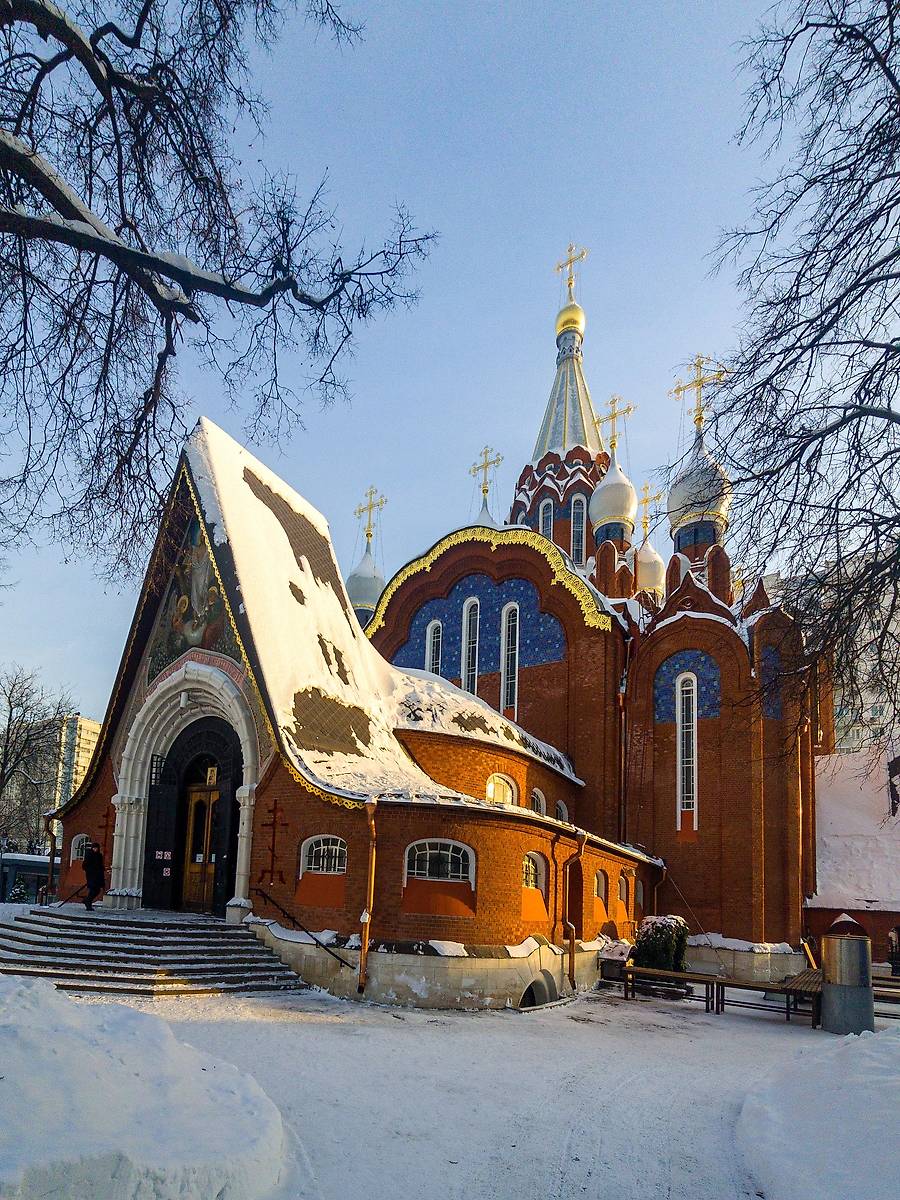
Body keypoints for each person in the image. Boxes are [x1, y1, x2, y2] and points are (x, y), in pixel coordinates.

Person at [82, 842, 105, 911]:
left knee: (97, 890)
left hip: (98, 875)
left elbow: (100, 865)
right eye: (94, 848)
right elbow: (84, 866)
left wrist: (102, 869)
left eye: (96, 848)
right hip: (91, 875)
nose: (95, 849)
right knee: (93, 889)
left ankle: (87, 900)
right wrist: (91, 870)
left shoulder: (99, 855)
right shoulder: (89, 855)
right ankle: (88, 903)